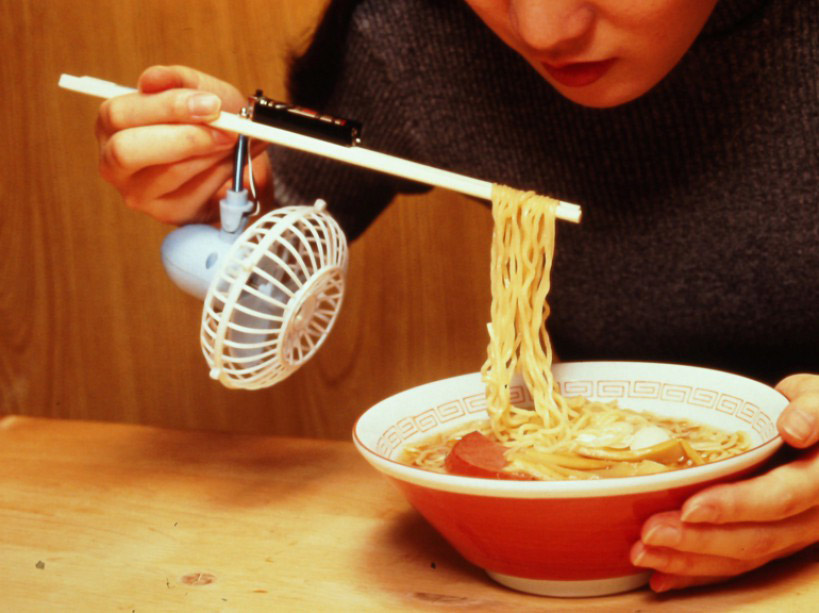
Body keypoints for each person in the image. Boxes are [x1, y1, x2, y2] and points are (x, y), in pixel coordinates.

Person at [95, 0, 818, 593]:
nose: (542, 29)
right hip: (582, 547)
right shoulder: (418, 28)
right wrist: (220, 196)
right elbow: (270, 280)